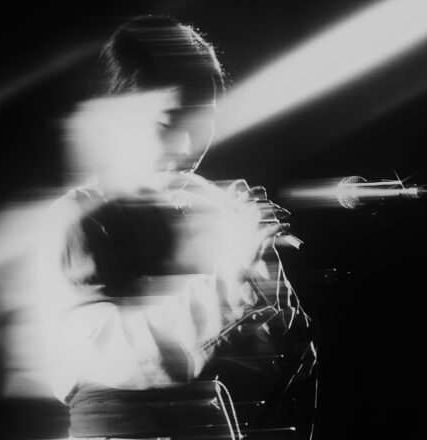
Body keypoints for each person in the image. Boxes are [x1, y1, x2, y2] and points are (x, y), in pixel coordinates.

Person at [38, 15, 316, 440]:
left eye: (202, 121)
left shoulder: (213, 206)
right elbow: (111, 358)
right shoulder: (76, 218)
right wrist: (236, 276)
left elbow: (281, 362)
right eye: (167, 122)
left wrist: (265, 267)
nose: (189, 146)